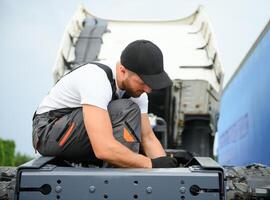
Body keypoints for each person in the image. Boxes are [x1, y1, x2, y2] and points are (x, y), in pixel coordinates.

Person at [32, 39, 178, 168]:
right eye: (143, 82)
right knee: (125, 110)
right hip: (48, 132)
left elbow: (148, 138)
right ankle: (118, 180)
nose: (148, 89)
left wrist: (164, 168)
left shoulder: (138, 93)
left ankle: (121, 174)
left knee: (134, 135)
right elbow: (103, 148)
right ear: (122, 71)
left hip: (77, 134)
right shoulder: (96, 79)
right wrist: (148, 163)